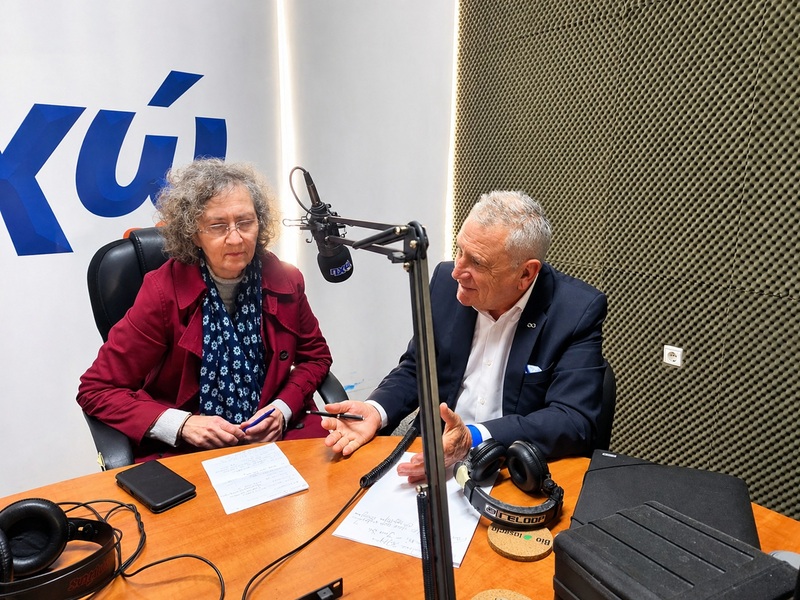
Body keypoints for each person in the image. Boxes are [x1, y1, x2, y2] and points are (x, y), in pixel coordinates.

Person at [321, 190, 607, 481]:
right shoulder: (444, 283)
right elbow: (418, 368)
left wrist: (473, 437)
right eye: (459, 251)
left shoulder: (576, 311)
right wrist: (375, 410)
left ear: (526, 274)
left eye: (478, 262)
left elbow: (573, 419)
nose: (457, 271)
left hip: (512, 469)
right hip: (436, 459)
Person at [78, 158, 332, 461]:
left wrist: (283, 408)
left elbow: (316, 357)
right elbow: (96, 389)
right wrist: (182, 425)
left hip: (275, 435)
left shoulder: (286, 278)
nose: (236, 238)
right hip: (191, 447)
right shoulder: (161, 292)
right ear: (194, 234)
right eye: (217, 226)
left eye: (245, 222)